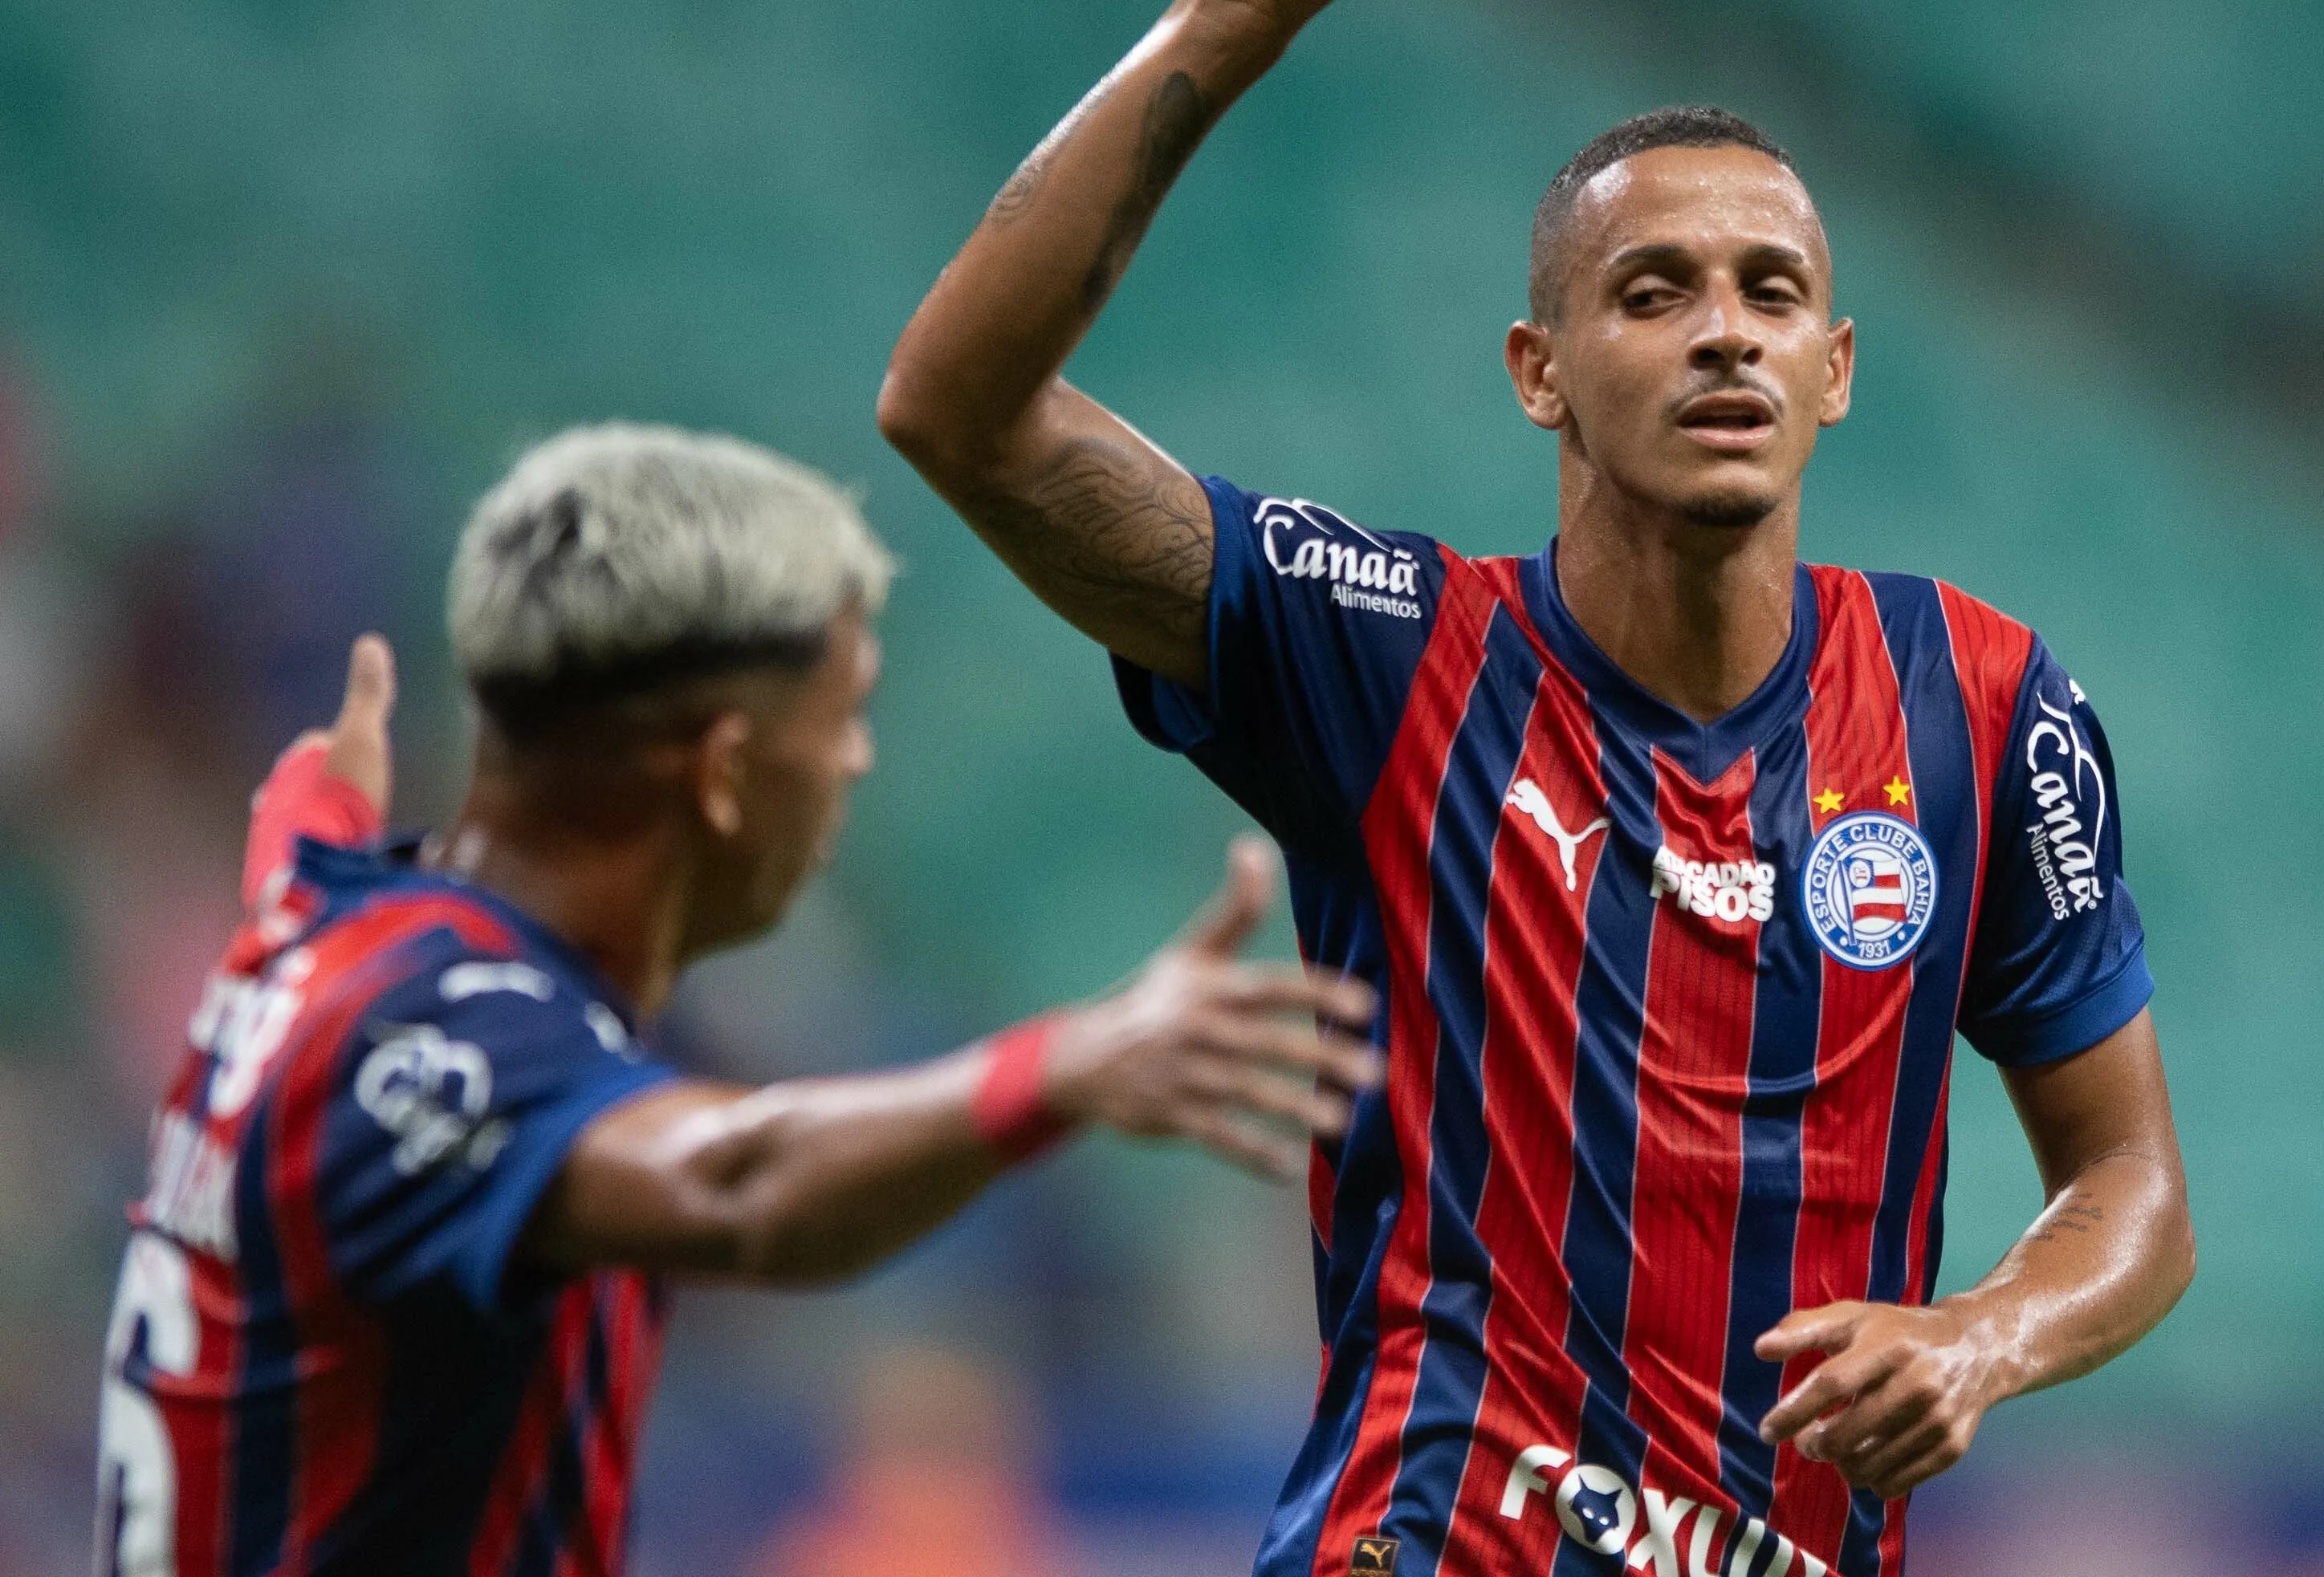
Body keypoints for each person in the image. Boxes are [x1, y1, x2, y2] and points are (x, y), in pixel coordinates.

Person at [877, 0, 2195, 1577]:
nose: (1721, 329)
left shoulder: (1982, 705)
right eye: (1651, 292)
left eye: (1770, 293)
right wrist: (1221, 31)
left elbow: (2131, 1182)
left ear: (1834, 373)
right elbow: (959, 411)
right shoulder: (1392, 654)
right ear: (1538, 374)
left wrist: (1985, 1337)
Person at [92, 422, 1381, 1575]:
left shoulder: (319, 913)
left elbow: (303, 839)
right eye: (846, 716)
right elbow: (731, 1182)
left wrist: (315, 805)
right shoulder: (439, 1045)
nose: (858, 762)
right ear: (721, 770)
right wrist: (1067, 1067)